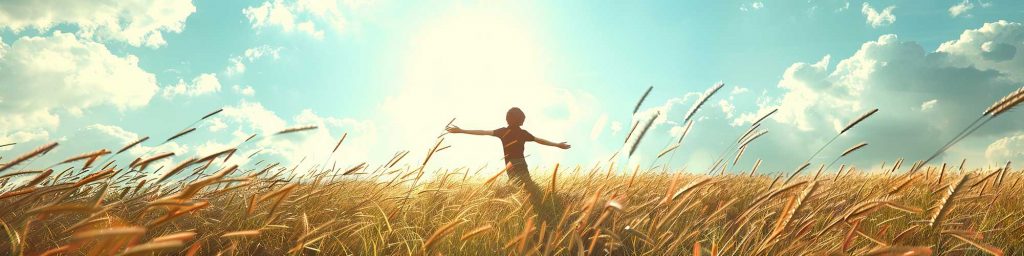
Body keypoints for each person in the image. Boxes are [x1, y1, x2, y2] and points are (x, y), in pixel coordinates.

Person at [445, 107, 570, 218]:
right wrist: (557, 145)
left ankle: (532, 212)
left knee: (519, 190)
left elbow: (482, 132)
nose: (524, 120)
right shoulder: (523, 133)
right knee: (529, 190)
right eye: (522, 118)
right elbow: (540, 140)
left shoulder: (503, 131)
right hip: (520, 164)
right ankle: (539, 211)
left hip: (510, 166)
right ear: (518, 119)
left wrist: (462, 130)